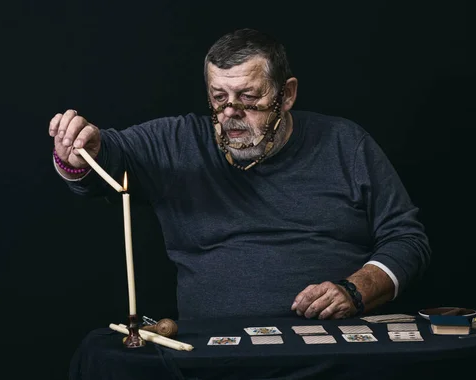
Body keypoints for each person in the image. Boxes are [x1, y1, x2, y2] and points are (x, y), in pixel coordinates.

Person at [49, 28, 431, 321]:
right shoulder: (176, 141)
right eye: (219, 98)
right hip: (214, 356)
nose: (231, 112)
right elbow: (106, 157)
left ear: (287, 94)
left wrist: (356, 290)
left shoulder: (345, 143)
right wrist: (80, 152)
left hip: (336, 346)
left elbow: (407, 239)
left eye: (249, 98)